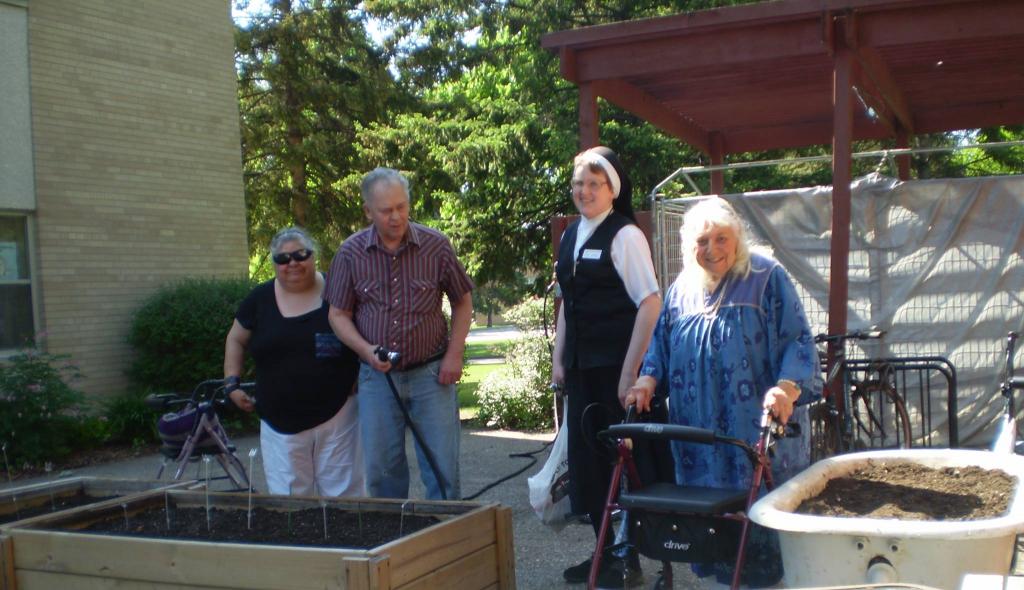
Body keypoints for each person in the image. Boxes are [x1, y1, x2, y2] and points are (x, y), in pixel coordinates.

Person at [626, 197, 821, 588]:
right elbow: (660, 348)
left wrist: (787, 388)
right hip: (700, 439)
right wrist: (647, 380)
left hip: (756, 432)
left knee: (765, 526)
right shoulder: (681, 289)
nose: (712, 249)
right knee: (714, 528)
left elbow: (797, 339)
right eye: (702, 241)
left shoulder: (766, 276)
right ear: (689, 247)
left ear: (738, 239)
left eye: (721, 238)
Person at [325, 167, 474, 501]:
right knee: (382, 472)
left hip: (432, 375)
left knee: (443, 470)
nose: (396, 216)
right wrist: (365, 350)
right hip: (377, 380)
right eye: (386, 210)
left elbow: (463, 302)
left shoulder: (436, 246)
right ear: (368, 211)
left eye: (401, 207)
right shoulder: (350, 254)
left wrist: (454, 354)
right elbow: (338, 315)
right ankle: (395, 543)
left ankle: (446, 543)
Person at [552, 146, 663, 589]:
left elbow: (650, 304)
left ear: (612, 190)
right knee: (589, 466)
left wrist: (629, 372)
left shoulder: (625, 236)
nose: (584, 191)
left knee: (625, 465)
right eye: (579, 183)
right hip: (583, 368)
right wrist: (561, 357)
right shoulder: (571, 234)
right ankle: (604, 551)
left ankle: (628, 555)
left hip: (616, 371)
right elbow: (567, 301)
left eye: (593, 184)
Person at [224, 227, 364, 497]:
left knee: (344, 498)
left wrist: (363, 374)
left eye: (301, 254)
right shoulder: (259, 300)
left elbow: (366, 334)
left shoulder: (340, 292)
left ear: (314, 256)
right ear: (274, 263)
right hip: (279, 422)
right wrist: (232, 383)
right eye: (283, 258)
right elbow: (236, 339)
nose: (293, 263)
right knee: (289, 501)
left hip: (338, 417)